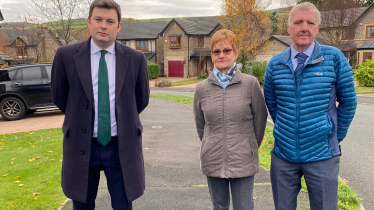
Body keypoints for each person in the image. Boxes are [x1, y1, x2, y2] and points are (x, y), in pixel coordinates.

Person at [51, 0, 149, 209]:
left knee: (123, 205)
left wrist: (121, 119)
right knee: (82, 205)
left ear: (119, 26)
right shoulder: (66, 56)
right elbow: (60, 97)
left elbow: (141, 99)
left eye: (110, 21)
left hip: (121, 146)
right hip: (81, 145)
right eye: (98, 19)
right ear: (89, 22)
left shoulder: (135, 59)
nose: (103, 25)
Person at [263, 2, 357, 210]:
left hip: (322, 155)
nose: (303, 27)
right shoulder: (275, 64)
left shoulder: (334, 59)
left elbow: (349, 102)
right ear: (289, 28)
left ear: (317, 28)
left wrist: (332, 135)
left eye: (310, 22)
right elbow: (272, 103)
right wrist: (287, 131)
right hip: (284, 156)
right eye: (298, 22)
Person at [193, 29, 268, 210]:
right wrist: (211, 144)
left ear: (236, 53)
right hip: (213, 158)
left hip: (243, 159)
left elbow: (260, 121)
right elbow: (201, 126)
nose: (222, 55)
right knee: (219, 207)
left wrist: (248, 146)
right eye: (217, 51)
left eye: (227, 50)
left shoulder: (250, 84)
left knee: (244, 207)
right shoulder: (201, 88)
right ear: (211, 55)